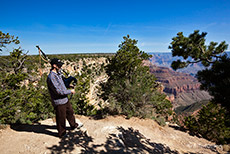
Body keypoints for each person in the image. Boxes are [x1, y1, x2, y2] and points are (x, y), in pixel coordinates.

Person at [47, 58, 82, 138]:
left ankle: (73, 125)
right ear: (54, 65)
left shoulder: (58, 74)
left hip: (65, 99)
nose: (61, 66)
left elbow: (61, 84)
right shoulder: (52, 77)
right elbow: (58, 91)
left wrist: (68, 86)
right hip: (58, 101)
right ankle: (62, 133)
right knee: (61, 118)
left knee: (70, 112)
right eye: (59, 65)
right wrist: (70, 91)